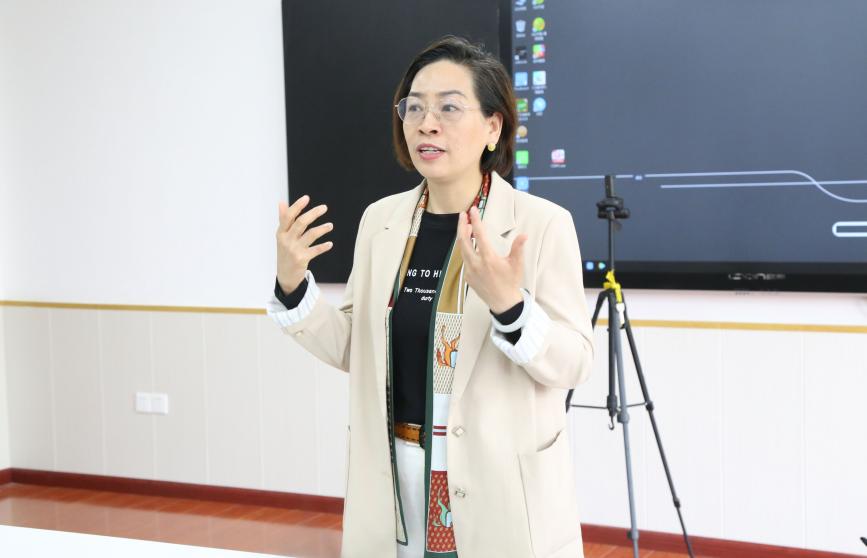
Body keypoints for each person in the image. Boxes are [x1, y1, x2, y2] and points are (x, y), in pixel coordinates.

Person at [267, 36, 594, 558]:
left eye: (449, 108)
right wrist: (292, 284)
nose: (427, 123)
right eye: (414, 107)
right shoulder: (381, 222)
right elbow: (355, 346)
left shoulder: (542, 225)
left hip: (498, 488)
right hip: (396, 476)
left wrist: (511, 308)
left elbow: (574, 362)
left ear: (493, 127)